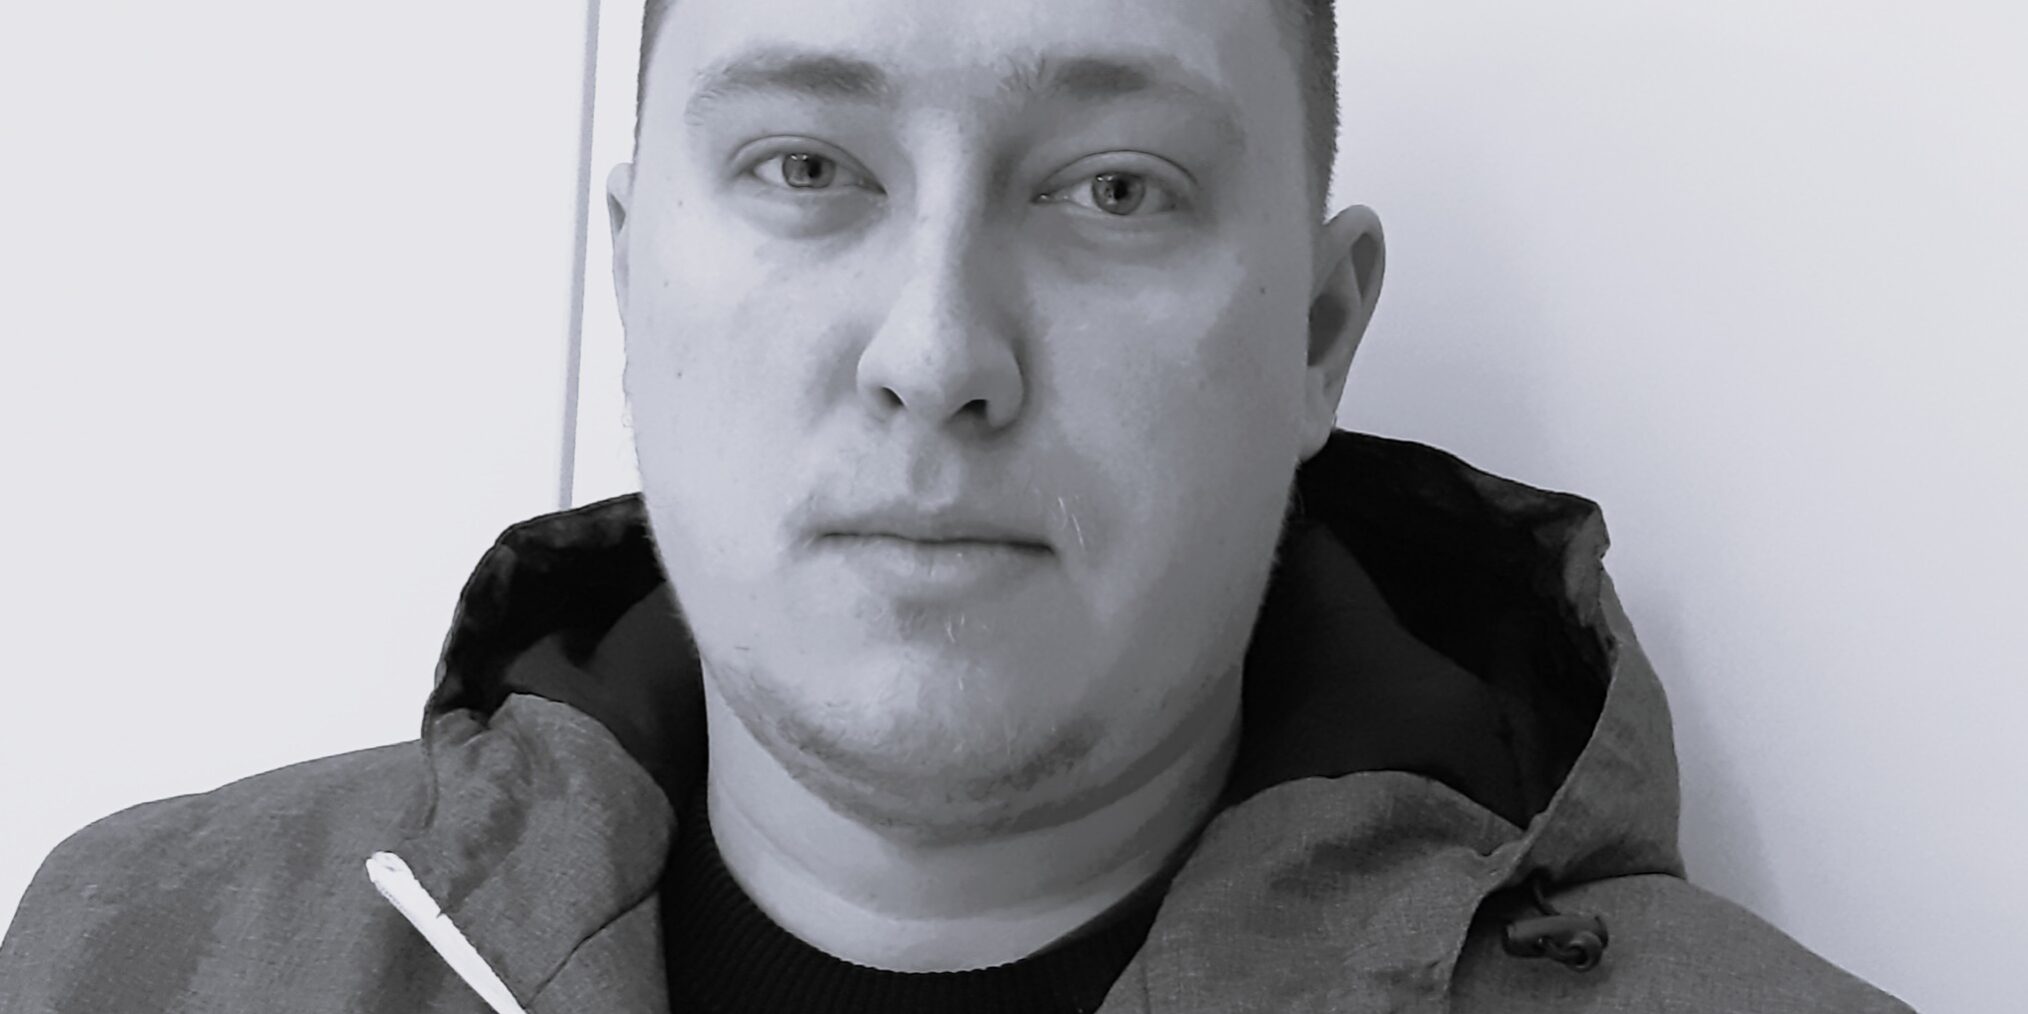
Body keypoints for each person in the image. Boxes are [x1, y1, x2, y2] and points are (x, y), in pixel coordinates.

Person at [0, 1, 1917, 1011]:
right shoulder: (130, 955)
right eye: (805, 165)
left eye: (1114, 189)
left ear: (1318, 334)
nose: (936, 352)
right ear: (630, 275)